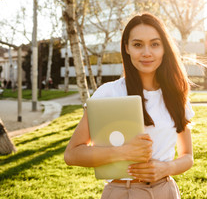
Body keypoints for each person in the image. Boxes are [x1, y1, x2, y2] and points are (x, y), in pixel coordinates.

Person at [64, 13, 195, 199]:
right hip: (120, 192)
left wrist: (168, 167)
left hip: (164, 191)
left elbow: (187, 156)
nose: (147, 52)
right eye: (138, 44)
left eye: (155, 44)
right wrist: (121, 152)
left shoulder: (176, 96)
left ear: (164, 48)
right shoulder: (107, 93)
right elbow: (72, 154)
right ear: (127, 48)